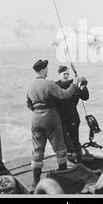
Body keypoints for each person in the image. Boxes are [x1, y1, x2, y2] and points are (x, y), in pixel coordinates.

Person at [26, 59, 84, 189]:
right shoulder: (48, 84)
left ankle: (35, 182)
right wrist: (74, 84)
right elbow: (65, 95)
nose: (47, 71)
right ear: (42, 70)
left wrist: (38, 110)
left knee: (37, 151)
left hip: (35, 118)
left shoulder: (30, 86)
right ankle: (63, 178)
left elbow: (28, 103)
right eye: (46, 69)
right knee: (60, 148)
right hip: (50, 117)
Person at [55, 65, 89, 163]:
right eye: (64, 74)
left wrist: (83, 86)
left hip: (73, 117)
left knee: (75, 142)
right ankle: (69, 162)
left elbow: (86, 97)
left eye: (67, 74)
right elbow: (62, 87)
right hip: (61, 119)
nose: (66, 76)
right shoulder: (56, 85)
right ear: (59, 74)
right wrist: (74, 81)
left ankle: (79, 163)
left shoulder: (74, 85)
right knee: (66, 144)